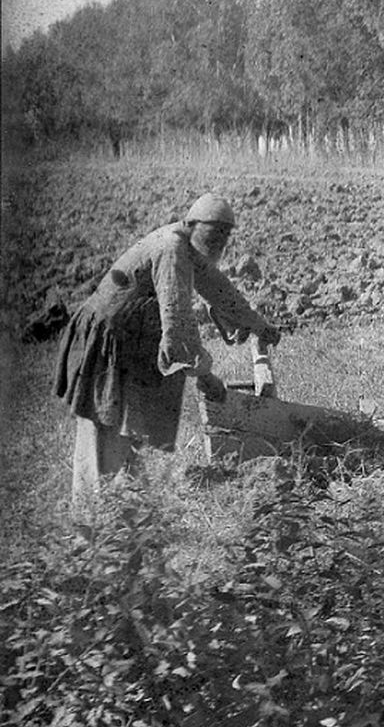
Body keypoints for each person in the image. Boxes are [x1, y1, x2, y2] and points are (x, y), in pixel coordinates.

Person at [54, 193, 281, 500]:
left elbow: (218, 288)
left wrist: (256, 323)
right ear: (191, 224)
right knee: (103, 428)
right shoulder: (172, 248)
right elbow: (179, 321)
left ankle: (127, 508)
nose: (219, 241)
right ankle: (94, 524)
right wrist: (204, 376)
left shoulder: (187, 247)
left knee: (130, 426)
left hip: (131, 342)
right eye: (213, 232)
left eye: (225, 235)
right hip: (108, 341)